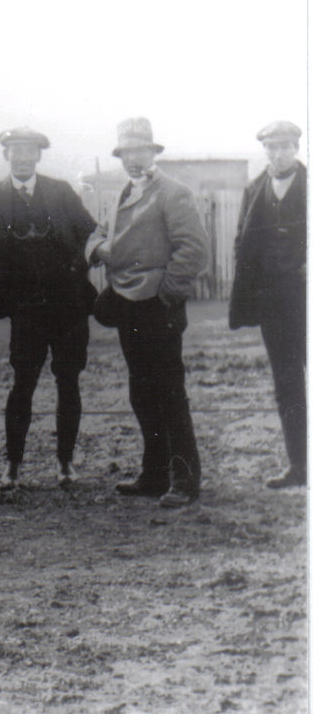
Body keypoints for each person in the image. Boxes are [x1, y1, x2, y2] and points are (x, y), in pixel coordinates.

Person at [0, 128, 98, 488]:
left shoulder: (61, 192)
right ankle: (13, 467)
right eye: (15, 151)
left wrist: (76, 265)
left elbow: (89, 231)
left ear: (38, 156)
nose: (22, 157)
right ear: (6, 156)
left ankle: (65, 464)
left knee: (69, 383)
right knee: (23, 384)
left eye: (29, 151)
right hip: (27, 309)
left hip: (68, 305)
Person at [86, 118, 210, 509]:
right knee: (142, 392)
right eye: (126, 154)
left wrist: (165, 294)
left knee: (170, 393)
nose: (133, 161)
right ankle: (154, 475)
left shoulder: (174, 193)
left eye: (140, 152)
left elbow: (193, 250)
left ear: (153, 153)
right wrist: (99, 250)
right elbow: (97, 234)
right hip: (127, 305)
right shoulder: (122, 193)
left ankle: (185, 481)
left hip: (157, 307)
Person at [227, 120, 306, 490]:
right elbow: (243, 240)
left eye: (285, 147)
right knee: (287, 383)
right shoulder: (255, 189)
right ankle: (300, 466)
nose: (278, 154)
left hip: (309, 302)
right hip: (275, 305)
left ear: (296, 148)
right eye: (272, 148)